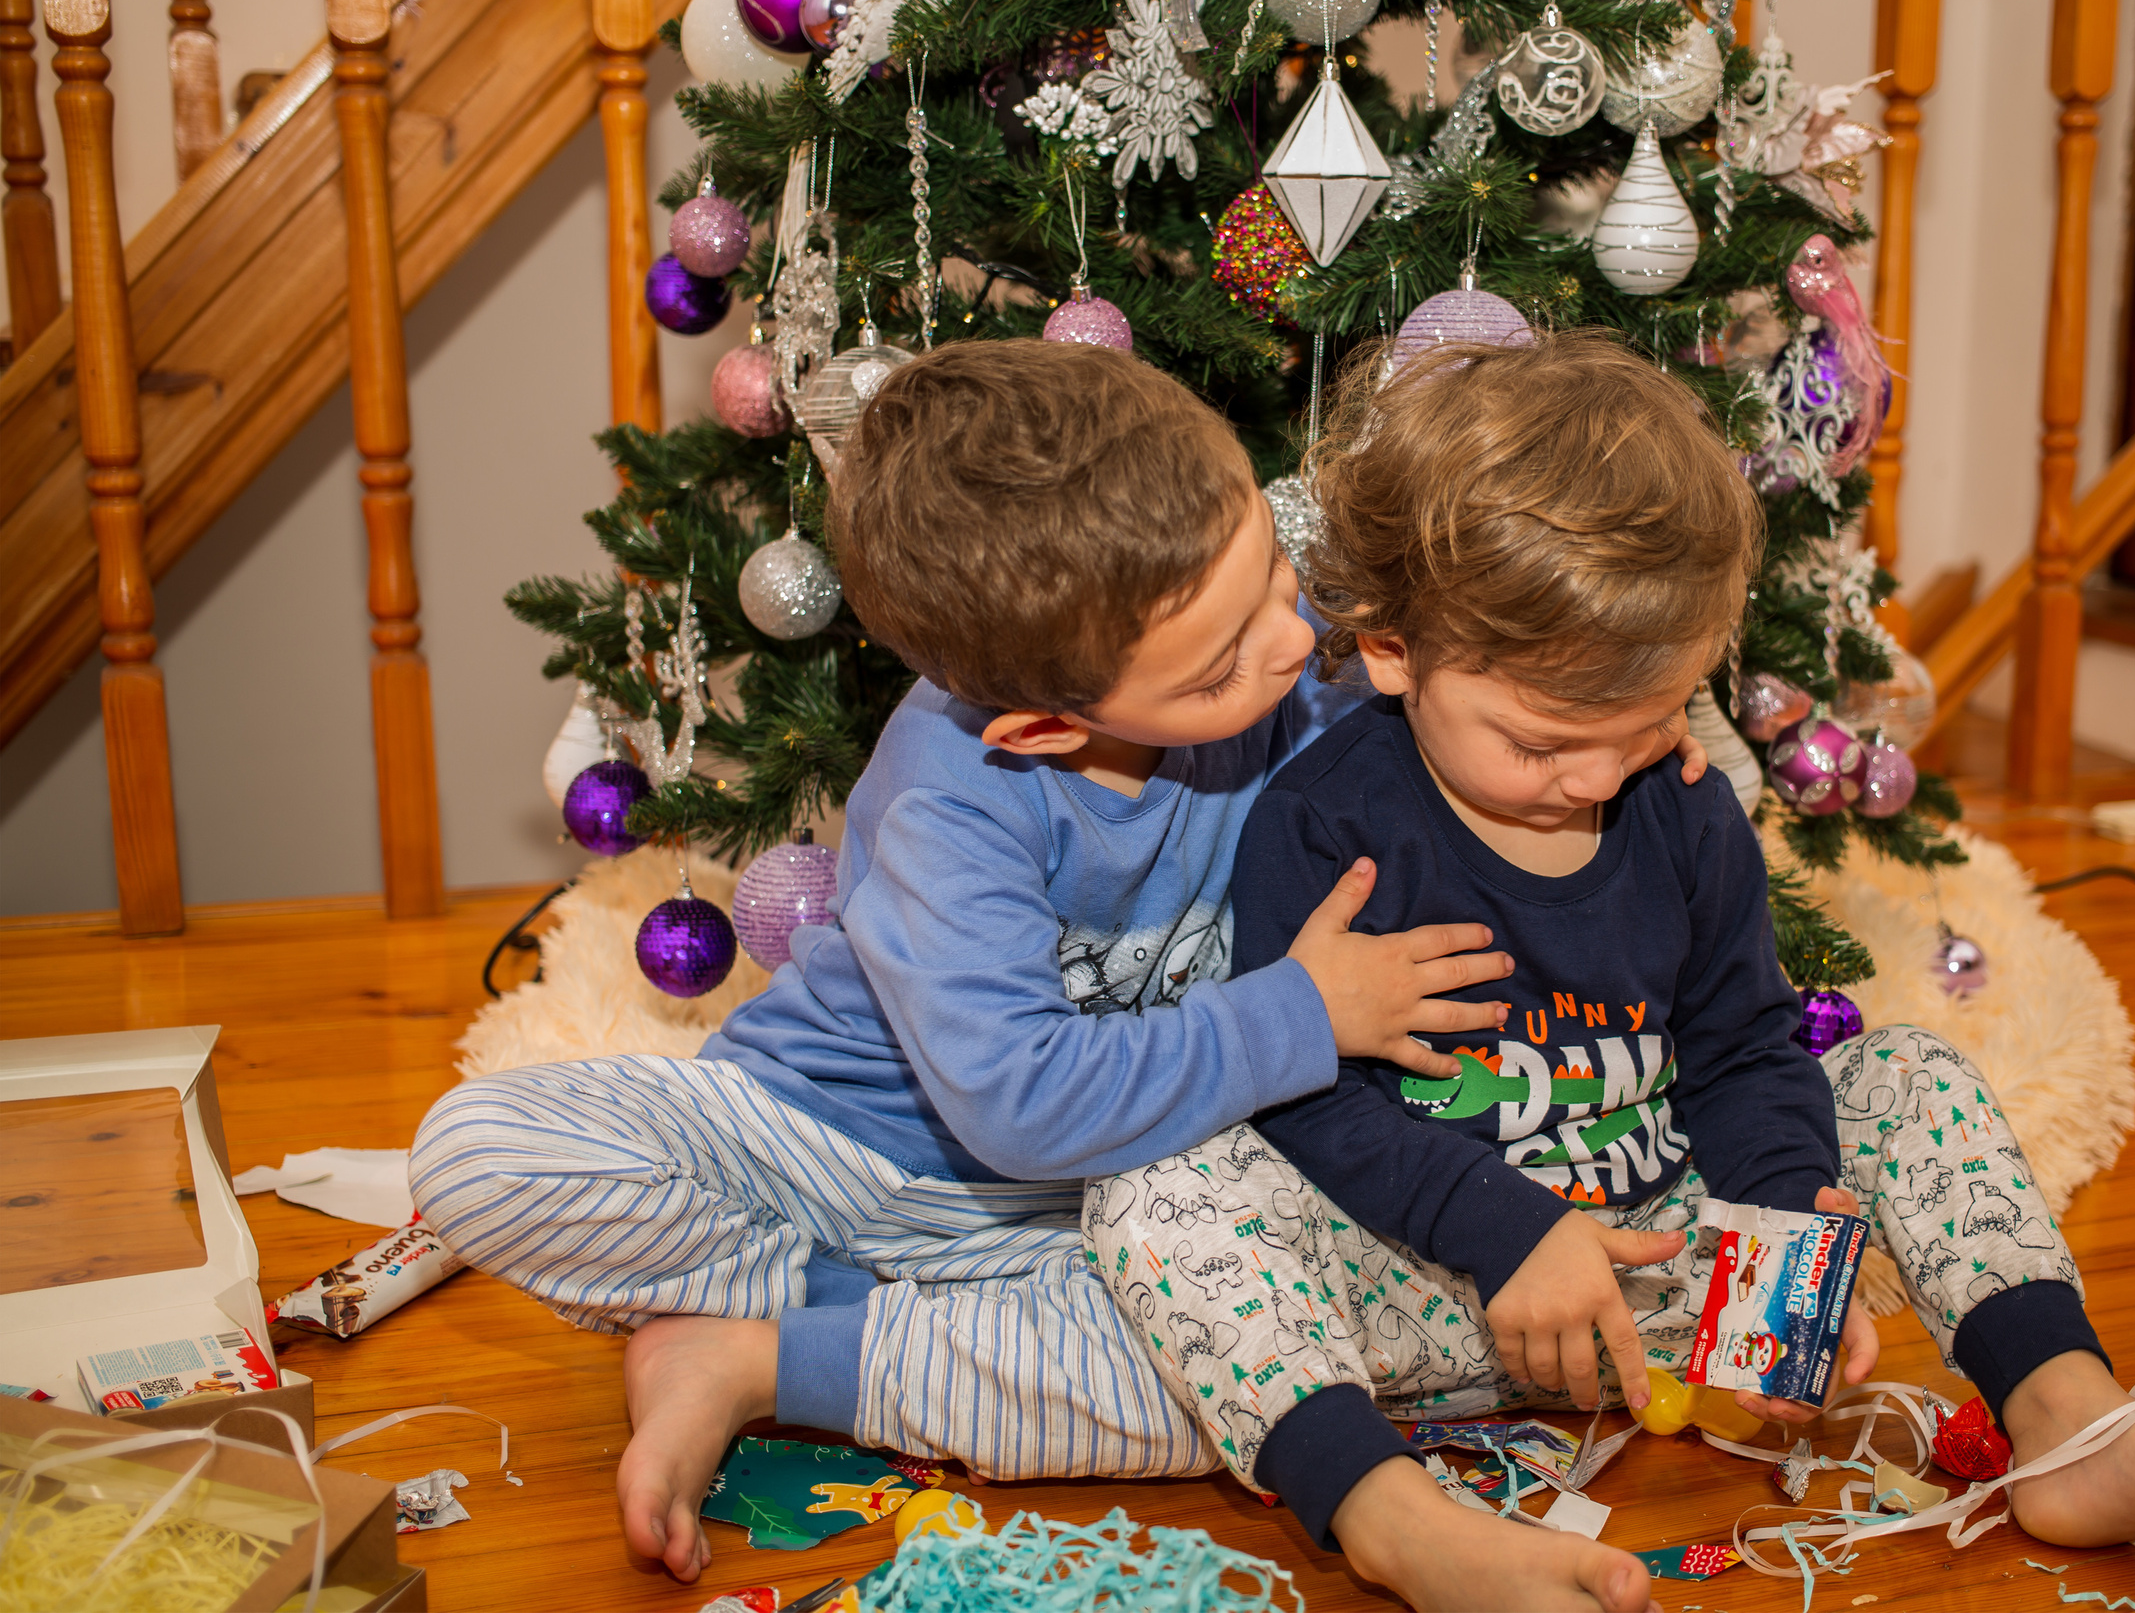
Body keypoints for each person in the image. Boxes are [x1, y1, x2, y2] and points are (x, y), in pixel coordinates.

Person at [1082, 333, 2135, 1613]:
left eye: (1647, 724)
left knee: (1901, 1069)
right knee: (1161, 1181)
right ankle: (1399, 1519)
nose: (1594, 778)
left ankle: (2073, 1421)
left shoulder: (1678, 806)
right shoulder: (1324, 822)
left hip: (1664, 1278)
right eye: (1540, 741)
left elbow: (1745, 1047)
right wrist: (1510, 1234)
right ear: (1396, 653)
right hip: (1428, 1291)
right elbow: (1308, 1102)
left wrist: (1787, 1237)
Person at [406, 340, 1573, 1582]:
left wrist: (1598, 737)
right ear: (1042, 728)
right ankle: (832, 1315)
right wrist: (1301, 1013)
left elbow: (1438, 742)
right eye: (1220, 663)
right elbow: (1020, 1099)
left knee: (1248, 1381)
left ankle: (764, 1359)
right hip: (832, 1134)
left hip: (1081, 1215)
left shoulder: (1289, 666)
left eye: (1272, 573)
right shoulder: (950, 801)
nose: (1287, 646)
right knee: (473, 1152)